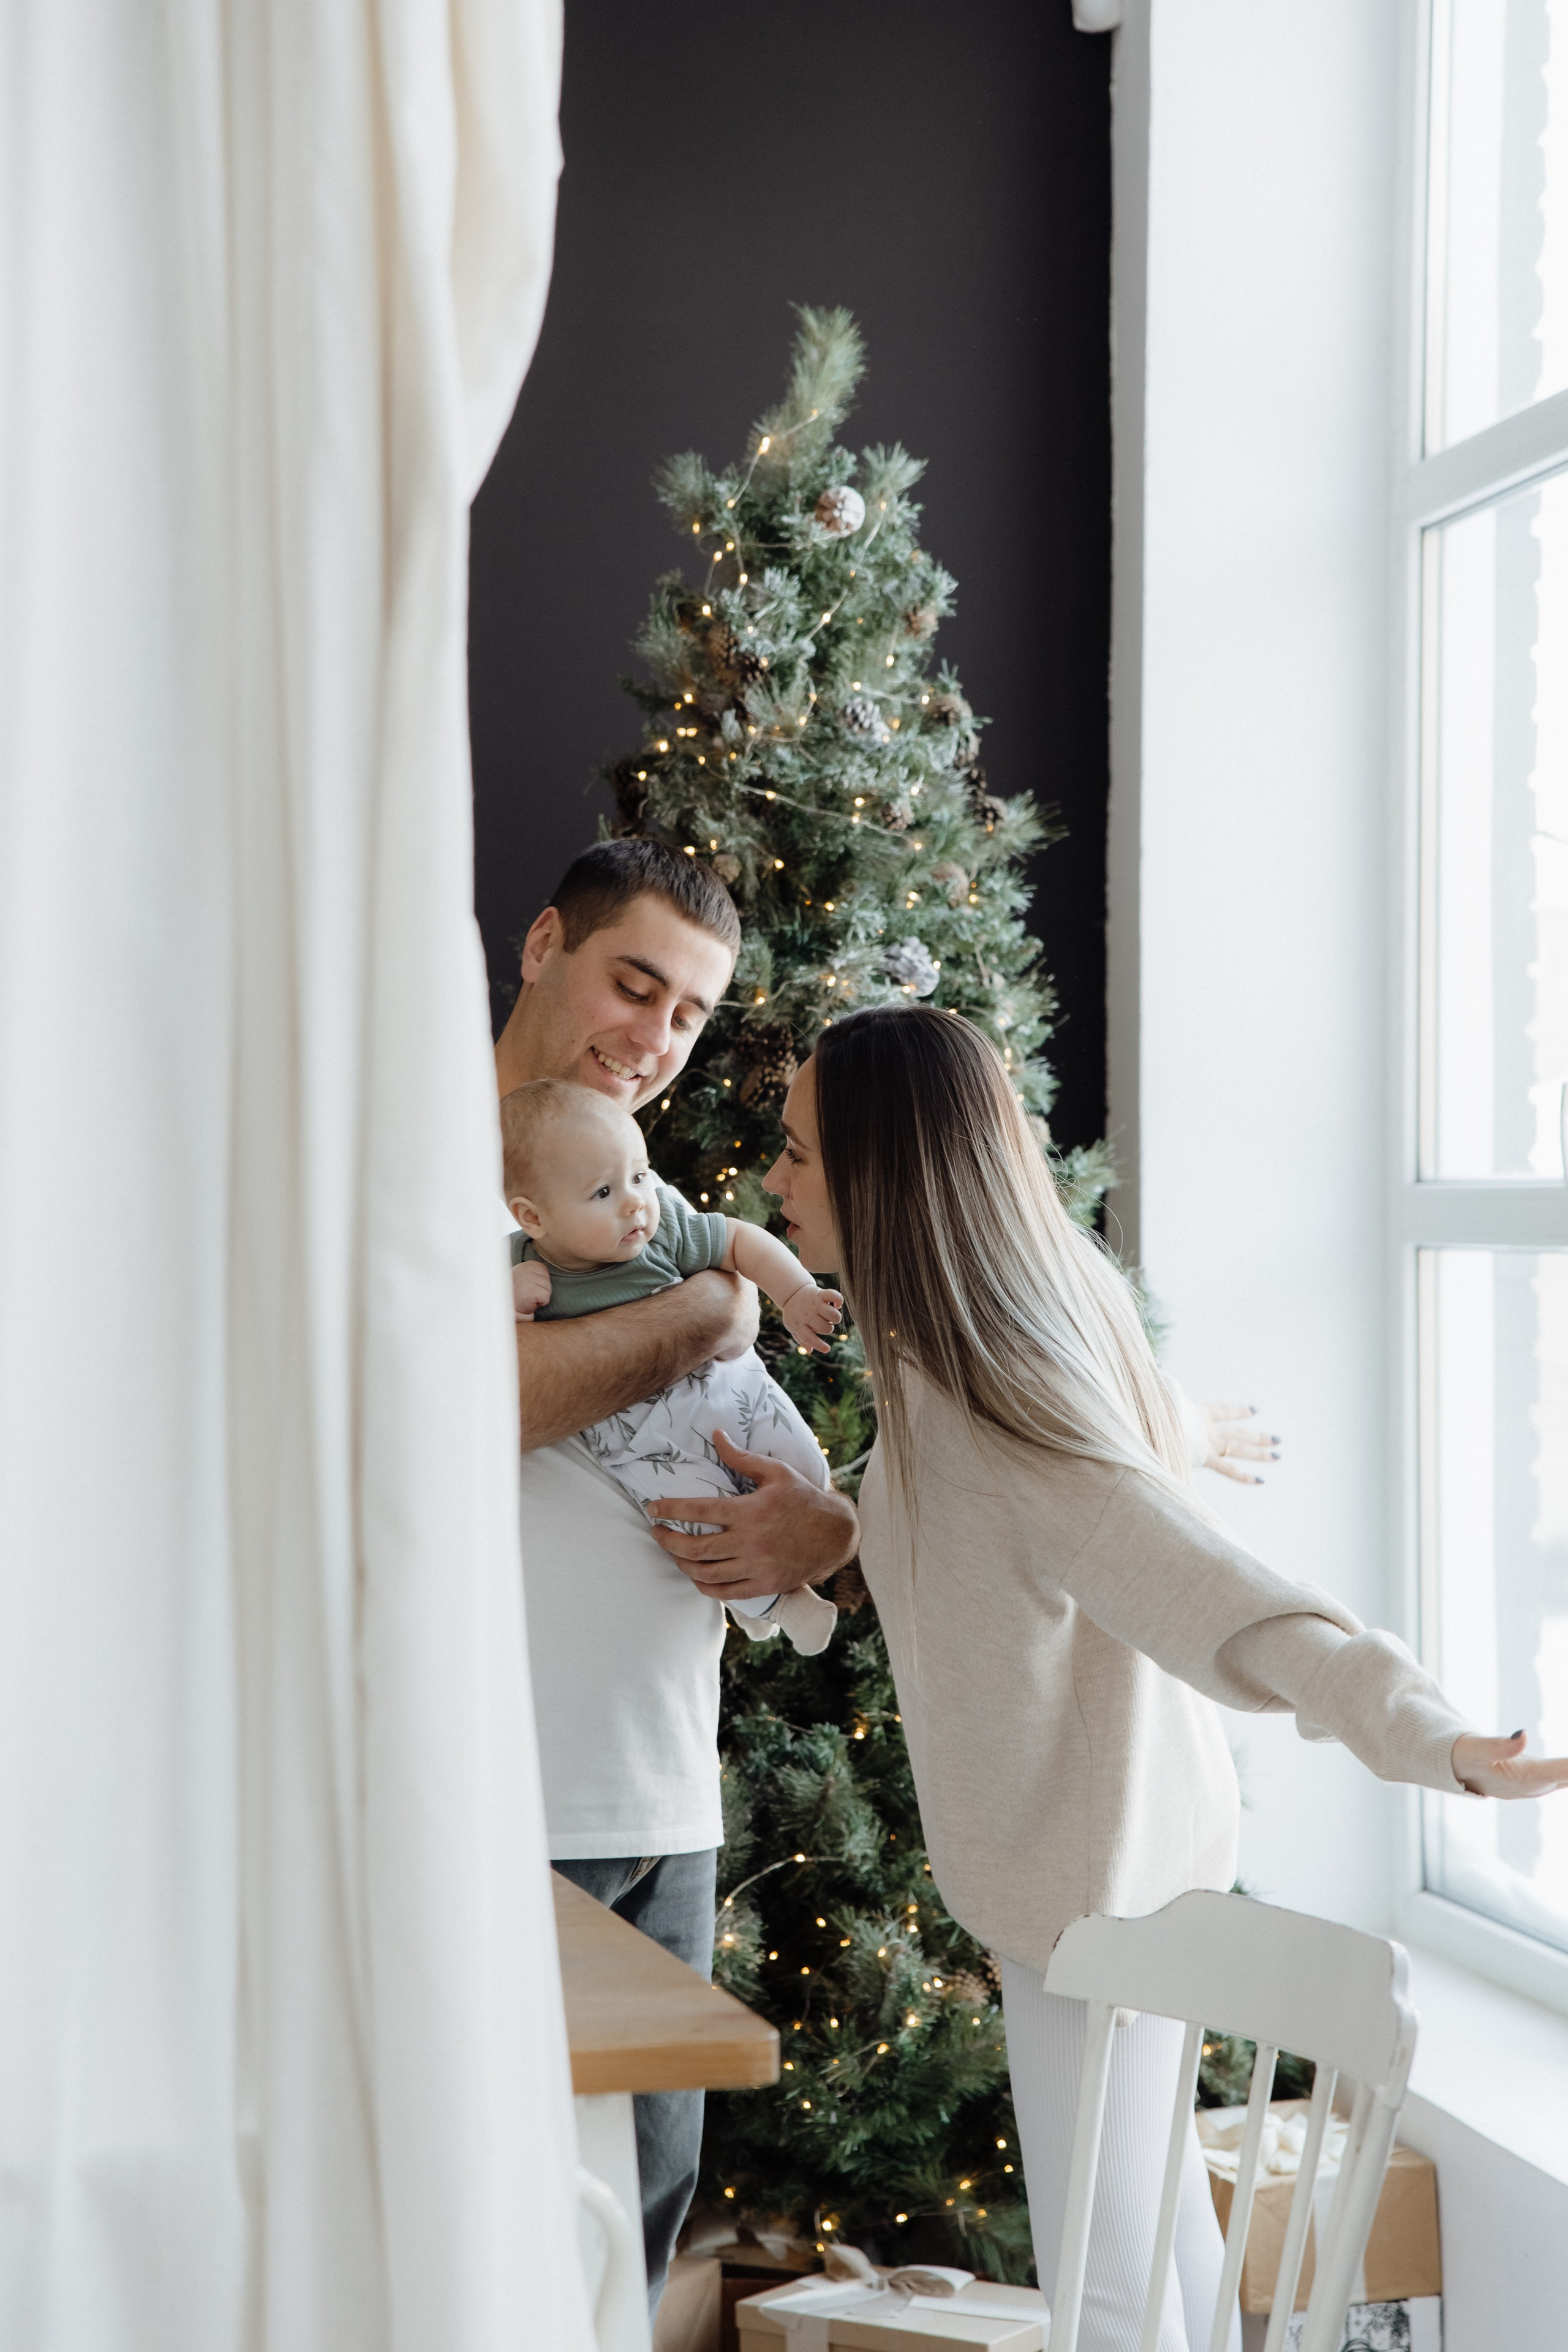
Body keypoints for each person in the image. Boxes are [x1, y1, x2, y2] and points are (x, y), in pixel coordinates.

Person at [655, 1003, 1568, 2352]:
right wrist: (835, 1530)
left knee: (1106, 2287)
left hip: (1090, 1907)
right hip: (1122, 1870)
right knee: (1156, 2253)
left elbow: (1210, 1597)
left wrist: (1427, 1736)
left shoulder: (994, 1404)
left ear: (881, 1174)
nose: (772, 1183)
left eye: (796, 1155)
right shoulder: (975, 1335)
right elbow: (980, 1534)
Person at [494, 840, 858, 2318]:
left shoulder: (635, 1196)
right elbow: (486, 1401)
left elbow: (738, 1446)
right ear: (538, 946)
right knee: (514, 2228)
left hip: (661, 1793)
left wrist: (827, 1538)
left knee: (633, 2233)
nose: (650, 1038)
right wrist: (710, 1317)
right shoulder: (422, 1175)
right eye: (629, 982)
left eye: (688, 1016)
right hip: (514, 1801)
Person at [500, 1076, 842, 1652]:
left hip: (730, 1389)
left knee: (800, 1463)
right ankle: (780, 1604)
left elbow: (739, 1242)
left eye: (639, 1175)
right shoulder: (519, 1268)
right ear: (534, 1219)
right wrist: (506, 1299)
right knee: (701, 1522)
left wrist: (797, 1295)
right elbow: (497, 1369)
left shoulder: (662, 1232)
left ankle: (777, 1590)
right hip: (646, 1439)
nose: (636, 1200)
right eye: (603, 1193)